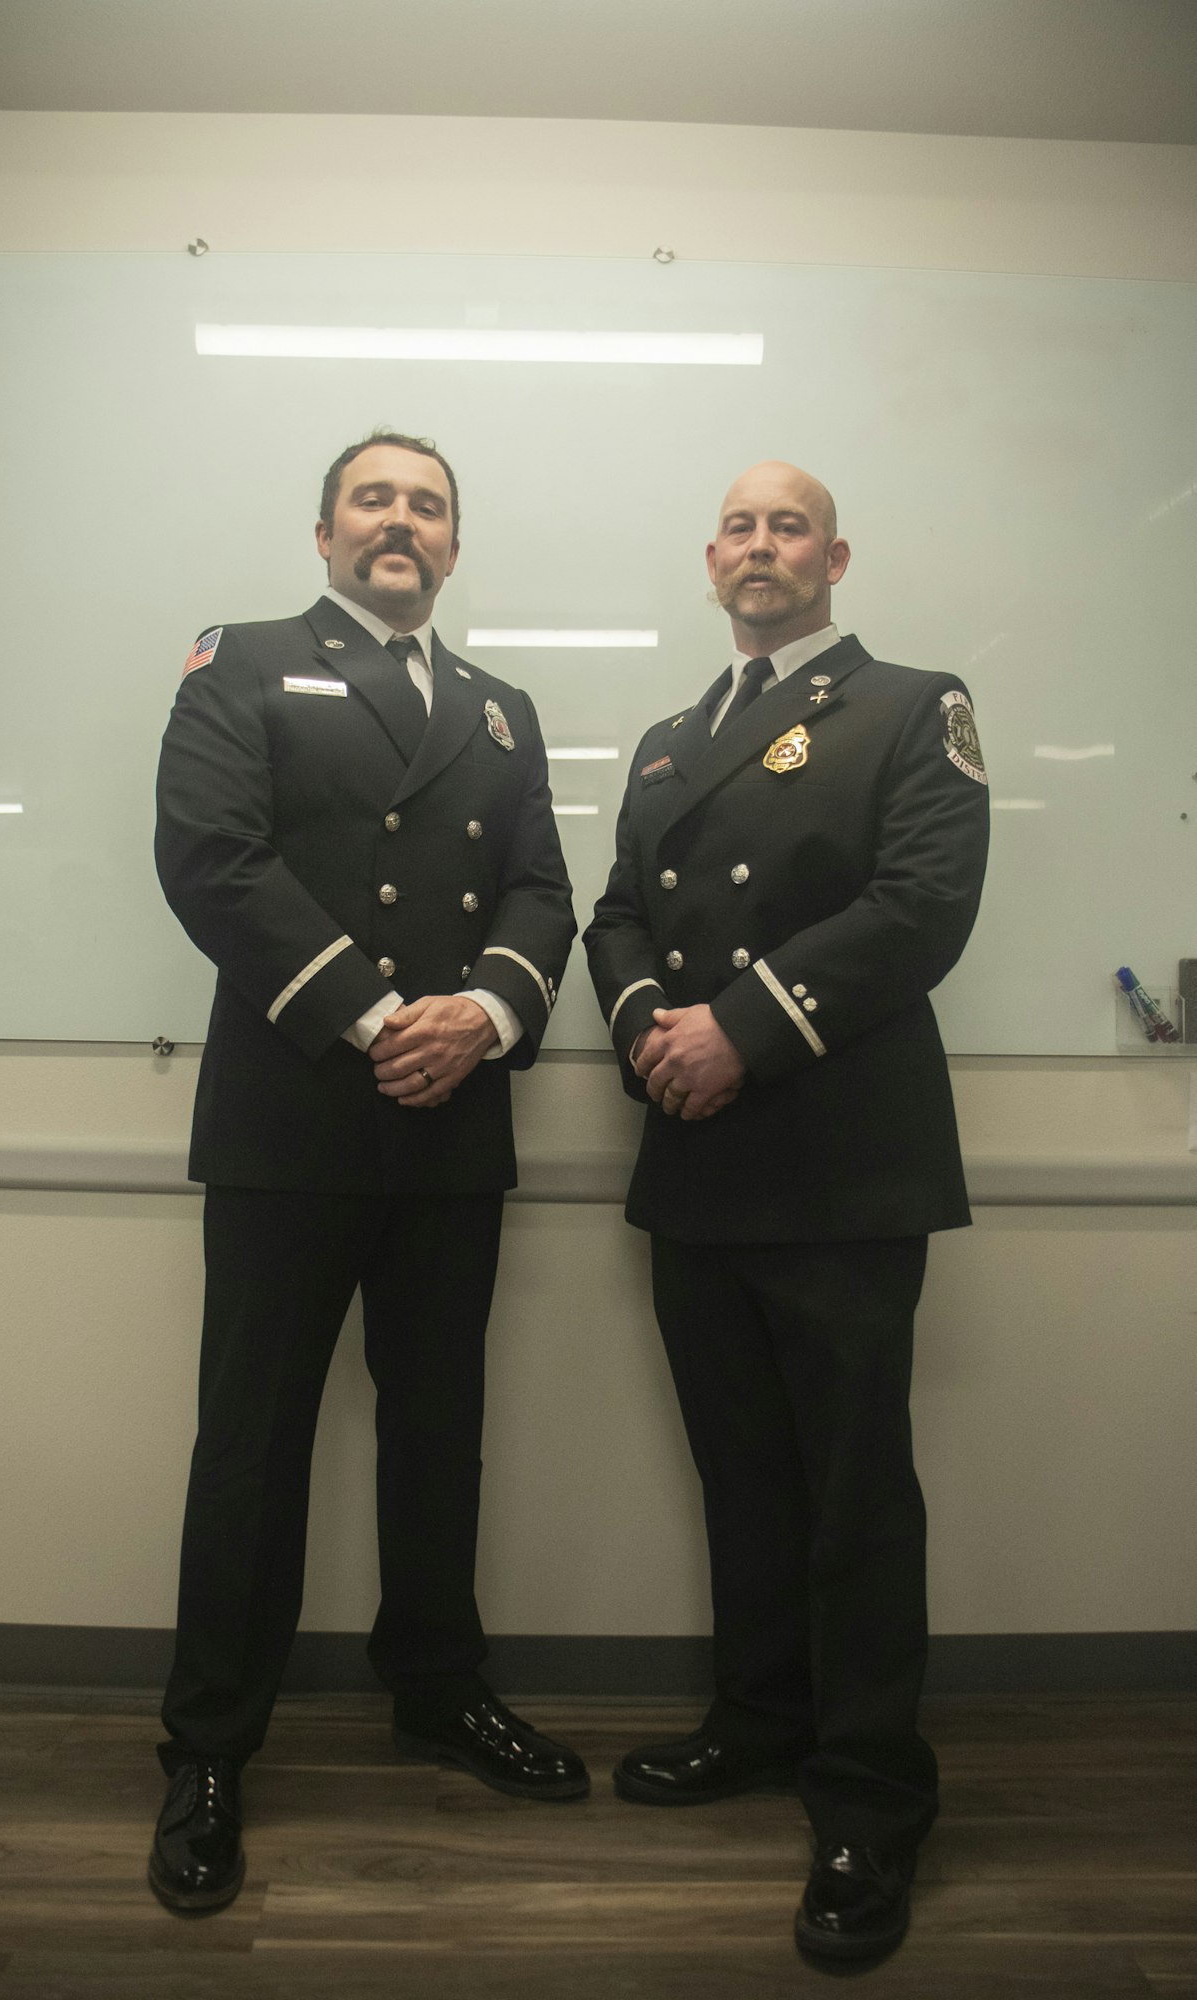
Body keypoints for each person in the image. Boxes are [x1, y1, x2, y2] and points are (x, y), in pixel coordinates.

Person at [149, 429, 585, 1914]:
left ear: (453, 546)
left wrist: (491, 1010)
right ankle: (207, 1749)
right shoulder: (242, 662)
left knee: (437, 1429)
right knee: (252, 1446)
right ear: (325, 530)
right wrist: (383, 1013)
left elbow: (542, 887)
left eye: (428, 505)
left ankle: (434, 1688)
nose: (400, 523)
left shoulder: (502, 709)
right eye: (374, 500)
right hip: (295, 1115)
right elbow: (211, 856)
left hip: (451, 1120)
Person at [583, 460, 989, 1962]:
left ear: (834, 555)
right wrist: (644, 1028)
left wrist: (735, 1030)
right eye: (739, 528)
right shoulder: (668, 738)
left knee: (850, 1495)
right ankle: (757, 1721)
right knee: (740, 1475)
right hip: (696, 1159)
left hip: (834, 1157)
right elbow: (614, 908)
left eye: (789, 525)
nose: (764, 547)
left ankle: (874, 1794)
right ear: (711, 562)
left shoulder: (908, 704)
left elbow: (921, 905)